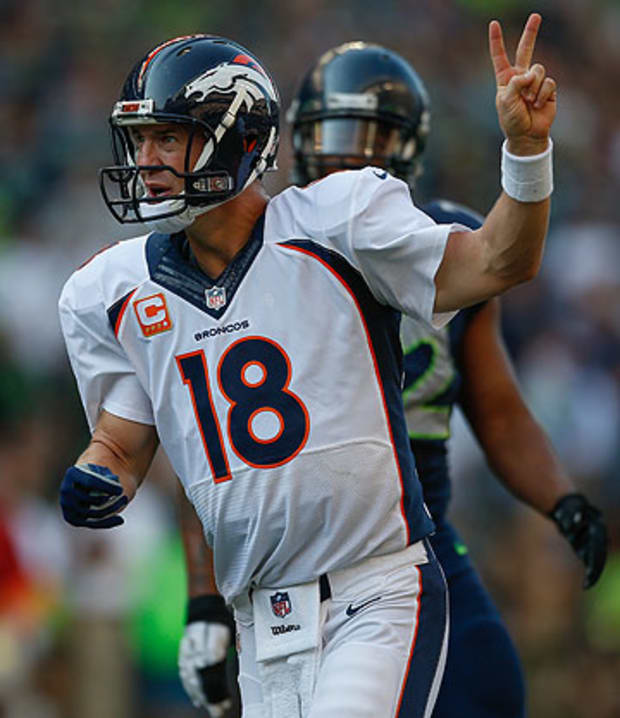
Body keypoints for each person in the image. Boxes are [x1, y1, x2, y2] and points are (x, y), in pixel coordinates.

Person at [58, 15, 560, 717]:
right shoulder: (109, 291)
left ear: (235, 138)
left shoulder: (336, 225)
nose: (145, 158)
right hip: (260, 620)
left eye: (167, 136)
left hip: (375, 594)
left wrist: (527, 153)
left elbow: (502, 260)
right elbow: (122, 441)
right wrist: (98, 473)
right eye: (139, 138)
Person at [175, 40, 608, 718]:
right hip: (295, 574)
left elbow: (493, 404)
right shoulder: (261, 252)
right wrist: (203, 600)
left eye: (368, 138)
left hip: (423, 543)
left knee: (487, 685)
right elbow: (205, 453)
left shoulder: (442, 238)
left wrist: (562, 500)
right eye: (333, 136)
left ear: (410, 148)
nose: (348, 157)